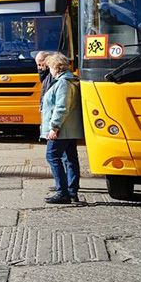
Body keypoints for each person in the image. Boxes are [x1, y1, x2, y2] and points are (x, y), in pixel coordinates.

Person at [40, 53, 84, 204]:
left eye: (50, 67)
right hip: (70, 129)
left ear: (56, 67)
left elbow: (61, 107)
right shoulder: (71, 80)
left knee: (52, 156)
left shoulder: (63, 83)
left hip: (61, 130)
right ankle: (72, 191)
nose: (49, 70)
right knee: (70, 158)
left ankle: (62, 192)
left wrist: (54, 127)